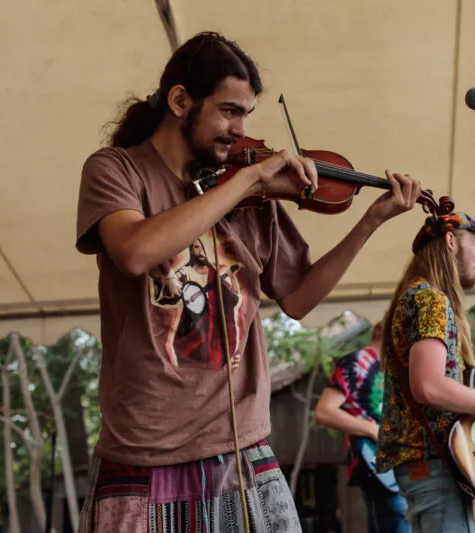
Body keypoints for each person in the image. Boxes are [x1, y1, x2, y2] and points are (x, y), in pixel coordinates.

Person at [75, 31, 422, 533]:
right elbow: (133, 251)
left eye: (246, 116)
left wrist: (368, 222)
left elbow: (300, 298)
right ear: (179, 101)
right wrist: (250, 179)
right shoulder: (118, 170)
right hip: (144, 448)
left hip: (243, 450)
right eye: (229, 111)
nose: (239, 131)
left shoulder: (250, 197)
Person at [375, 212, 475, 533]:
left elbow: (429, 386)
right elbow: (428, 387)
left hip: (427, 464)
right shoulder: (430, 299)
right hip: (439, 465)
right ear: (451, 241)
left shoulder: (416, 295)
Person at [315, 319, 409, 532]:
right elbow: (324, 411)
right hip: (374, 460)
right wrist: (372, 430)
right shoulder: (356, 361)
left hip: (392, 463)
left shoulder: (388, 368)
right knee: (397, 518)